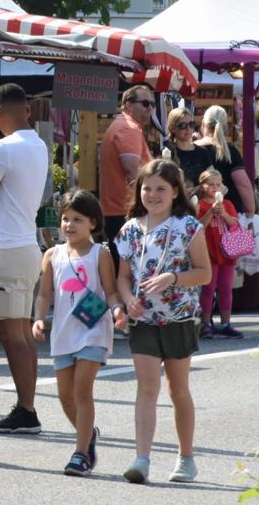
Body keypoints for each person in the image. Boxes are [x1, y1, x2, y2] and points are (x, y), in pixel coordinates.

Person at [115, 159, 210, 484]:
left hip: (179, 318)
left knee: (178, 390)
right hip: (143, 319)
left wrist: (172, 277)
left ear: (174, 192)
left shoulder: (188, 226)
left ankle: (186, 458)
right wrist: (127, 300)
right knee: (147, 387)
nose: (153, 194)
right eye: (147, 188)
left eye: (161, 189)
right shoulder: (129, 229)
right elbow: (123, 277)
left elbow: (204, 273)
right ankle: (142, 459)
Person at [0, 83, 49, 435]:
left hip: (5, 246)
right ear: (28, 110)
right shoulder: (39, 145)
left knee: (9, 332)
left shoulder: (2, 148)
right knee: (19, 330)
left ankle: (26, 408)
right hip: (26, 246)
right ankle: (27, 406)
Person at [32, 190, 127, 477]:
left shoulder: (101, 253)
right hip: (63, 332)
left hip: (93, 330)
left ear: (93, 224)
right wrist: (37, 319)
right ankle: (89, 435)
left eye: (78, 219)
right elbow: (44, 294)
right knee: (65, 397)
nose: (69, 225)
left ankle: (81, 453)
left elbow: (110, 292)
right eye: (65, 219)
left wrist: (117, 311)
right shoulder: (52, 254)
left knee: (82, 391)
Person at [99, 85, 154, 264]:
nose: (150, 109)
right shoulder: (128, 128)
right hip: (126, 212)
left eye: (152, 104)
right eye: (145, 103)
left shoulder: (126, 126)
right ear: (128, 105)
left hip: (121, 211)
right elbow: (133, 172)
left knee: (124, 272)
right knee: (129, 274)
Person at [195, 168, 244, 339]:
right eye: (211, 184)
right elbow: (197, 227)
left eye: (218, 184)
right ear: (203, 186)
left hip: (227, 251)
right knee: (208, 288)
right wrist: (210, 212)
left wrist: (223, 213)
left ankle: (225, 323)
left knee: (225, 288)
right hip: (208, 252)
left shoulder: (228, 204)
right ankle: (206, 323)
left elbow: (234, 224)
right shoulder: (200, 204)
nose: (215, 187)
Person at [195, 105, 256, 216]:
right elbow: (243, 184)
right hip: (228, 213)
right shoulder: (230, 151)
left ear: (203, 124)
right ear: (225, 127)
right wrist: (251, 211)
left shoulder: (192, 149)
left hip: (199, 213)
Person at [165, 107, 213, 189]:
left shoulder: (203, 152)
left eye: (191, 124)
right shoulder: (167, 152)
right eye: (182, 125)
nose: (188, 128)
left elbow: (212, 178)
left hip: (199, 199)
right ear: (172, 128)